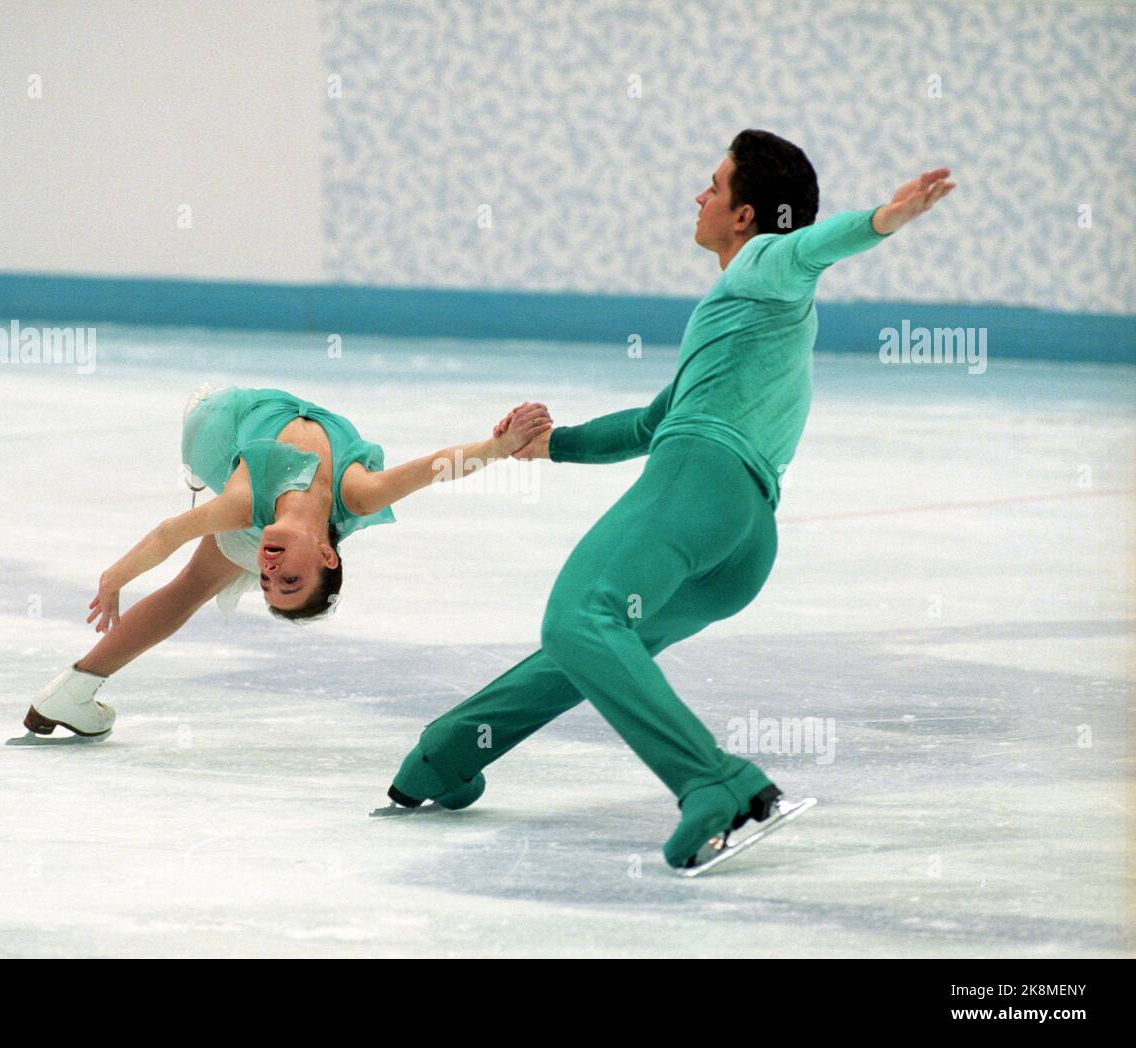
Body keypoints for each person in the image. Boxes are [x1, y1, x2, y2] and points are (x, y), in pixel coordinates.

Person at [384, 129, 956, 870]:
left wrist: (883, 219)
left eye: (714, 186)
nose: (700, 196)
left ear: (746, 216)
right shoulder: (748, 316)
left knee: (579, 620)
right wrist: (549, 443)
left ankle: (716, 782)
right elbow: (652, 423)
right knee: (592, 646)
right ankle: (448, 753)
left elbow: (809, 247)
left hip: (701, 483)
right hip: (743, 542)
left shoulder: (762, 265)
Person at [16, 385, 552, 740]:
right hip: (213, 420)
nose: (269, 572)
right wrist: (498, 445)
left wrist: (117, 576)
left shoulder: (245, 505)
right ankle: (73, 691)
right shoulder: (358, 492)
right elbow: (433, 470)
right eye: (287, 578)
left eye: (270, 583)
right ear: (326, 552)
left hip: (239, 457)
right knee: (195, 584)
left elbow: (170, 533)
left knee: (196, 581)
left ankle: (72, 691)